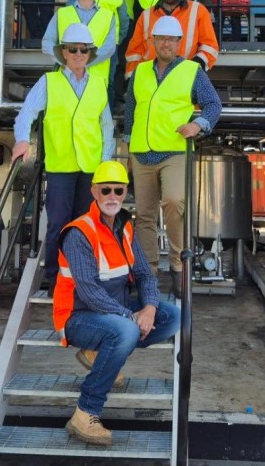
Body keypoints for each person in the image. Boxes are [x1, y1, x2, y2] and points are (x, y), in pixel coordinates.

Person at [53, 160, 180, 447]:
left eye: (118, 190)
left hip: (115, 314)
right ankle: (85, 412)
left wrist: (149, 308)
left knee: (173, 316)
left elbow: (145, 274)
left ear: (125, 193)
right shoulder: (78, 232)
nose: (112, 196)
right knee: (126, 331)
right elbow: (88, 291)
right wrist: (131, 317)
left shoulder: (125, 228)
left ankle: (99, 353)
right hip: (78, 317)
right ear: (94, 192)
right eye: (106, 190)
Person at [125, 16, 222, 295]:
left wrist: (198, 125)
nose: (166, 44)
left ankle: (179, 265)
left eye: (171, 40)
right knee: (144, 215)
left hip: (175, 150)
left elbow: (213, 104)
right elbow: (130, 109)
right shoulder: (140, 72)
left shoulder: (192, 71)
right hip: (142, 153)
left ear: (179, 43)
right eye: (161, 39)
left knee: (174, 201)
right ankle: (149, 272)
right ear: (153, 41)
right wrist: (129, 143)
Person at [14, 23, 114, 293]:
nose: (79, 54)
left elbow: (106, 127)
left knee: (86, 223)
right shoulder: (49, 82)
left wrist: (104, 164)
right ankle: (55, 277)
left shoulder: (99, 84)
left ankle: (82, 276)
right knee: (58, 223)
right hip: (60, 166)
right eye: (73, 49)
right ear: (64, 53)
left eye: (84, 49)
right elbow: (27, 112)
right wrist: (22, 139)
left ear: (90, 53)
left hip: (91, 168)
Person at [125, 0, 219, 78]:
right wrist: (132, 79)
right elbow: (134, 52)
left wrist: (194, 67)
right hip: (151, 78)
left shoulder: (199, 11)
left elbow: (210, 46)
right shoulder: (146, 15)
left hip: (185, 78)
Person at [43, 0, 118, 88]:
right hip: (66, 80)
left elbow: (109, 48)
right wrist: (64, 62)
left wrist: (80, 63)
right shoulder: (62, 14)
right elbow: (47, 42)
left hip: (96, 83)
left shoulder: (109, 16)